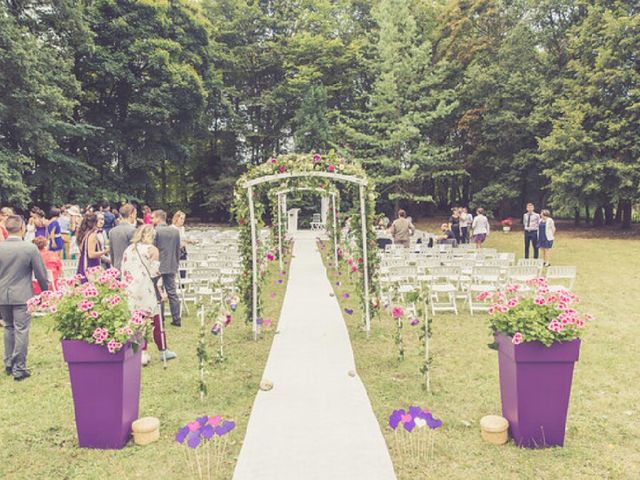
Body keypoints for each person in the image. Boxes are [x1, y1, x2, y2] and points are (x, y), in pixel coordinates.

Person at [0, 215, 48, 380]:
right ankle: (19, 368)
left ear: (6, 229)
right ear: (22, 228)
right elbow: (41, 274)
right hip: (22, 295)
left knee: (8, 327)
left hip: (2, 295)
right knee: (21, 329)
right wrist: (46, 291)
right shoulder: (29, 248)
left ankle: (8, 362)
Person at [121, 225, 177, 365]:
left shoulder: (129, 249)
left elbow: (123, 269)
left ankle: (141, 351)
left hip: (131, 289)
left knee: (137, 320)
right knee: (155, 320)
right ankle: (161, 350)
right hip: (146, 289)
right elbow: (155, 273)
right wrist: (160, 290)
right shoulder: (152, 250)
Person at [152, 210, 182, 327]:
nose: (152, 220)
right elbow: (177, 249)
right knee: (172, 292)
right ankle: (176, 318)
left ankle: (160, 318)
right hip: (171, 264)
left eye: (153, 218)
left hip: (158, 265)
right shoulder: (175, 232)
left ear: (159, 218)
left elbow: (153, 249)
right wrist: (176, 262)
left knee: (157, 291)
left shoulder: (156, 231)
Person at [76, 213, 109, 281]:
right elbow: (91, 254)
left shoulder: (86, 234)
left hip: (83, 262)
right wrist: (106, 251)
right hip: (90, 265)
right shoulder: (92, 235)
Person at [109, 203, 137, 272]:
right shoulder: (133, 230)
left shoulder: (112, 231)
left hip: (116, 266)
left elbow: (111, 251)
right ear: (131, 214)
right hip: (130, 268)